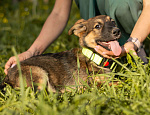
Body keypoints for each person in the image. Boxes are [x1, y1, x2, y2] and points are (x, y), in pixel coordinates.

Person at [4, 0, 150, 74]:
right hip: (97, 44)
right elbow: (58, 13)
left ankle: (141, 54)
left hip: (138, 34)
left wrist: (134, 42)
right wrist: (32, 52)